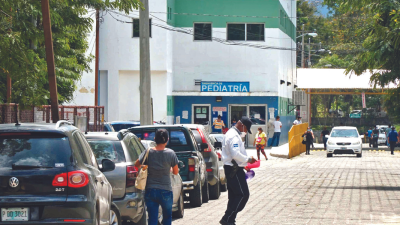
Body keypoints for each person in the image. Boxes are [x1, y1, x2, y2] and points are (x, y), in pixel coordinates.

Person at [135, 129, 179, 225]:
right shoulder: (171, 153)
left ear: (155, 139)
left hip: (150, 190)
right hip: (166, 190)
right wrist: (170, 169)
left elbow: (136, 164)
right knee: (167, 216)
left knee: (152, 218)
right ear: (167, 140)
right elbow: (176, 172)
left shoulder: (149, 152)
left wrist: (145, 166)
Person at [220, 116, 257, 225]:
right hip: (234, 170)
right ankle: (227, 218)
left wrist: (244, 164)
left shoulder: (232, 133)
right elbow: (235, 154)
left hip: (234, 167)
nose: (245, 132)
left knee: (234, 196)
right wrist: (248, 159)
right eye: (246, 129)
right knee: (243, 195)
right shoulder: (233, 136)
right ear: (242, 125)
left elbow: (234, 155)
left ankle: (230, 220)